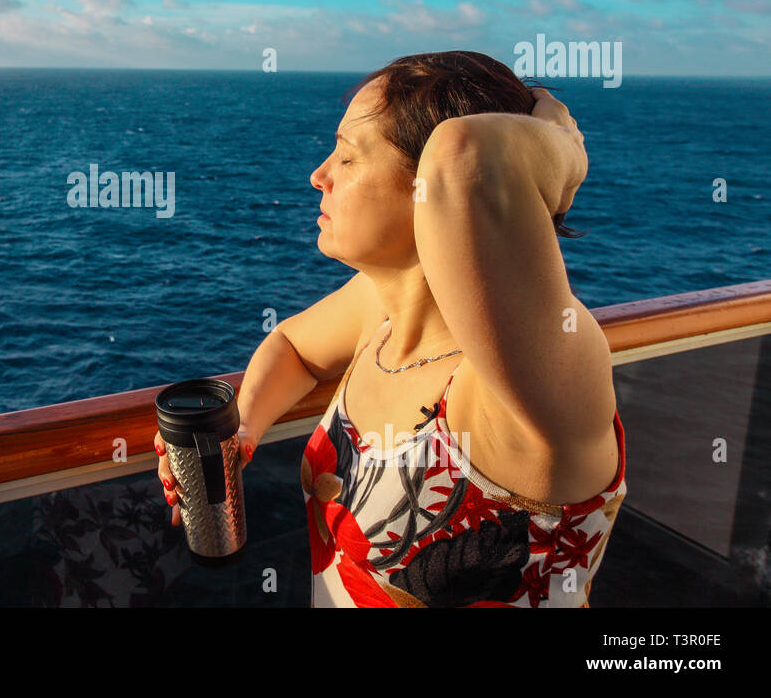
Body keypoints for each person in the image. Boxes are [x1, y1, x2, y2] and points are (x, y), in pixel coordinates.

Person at [154, 50, 626, 607]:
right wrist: (245, 428)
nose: (318, 175)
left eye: (348, 159)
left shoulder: (528, 383)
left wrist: (567, 149)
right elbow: (295, 348)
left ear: (427, 189)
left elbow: (467, 153)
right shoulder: (383, 309)